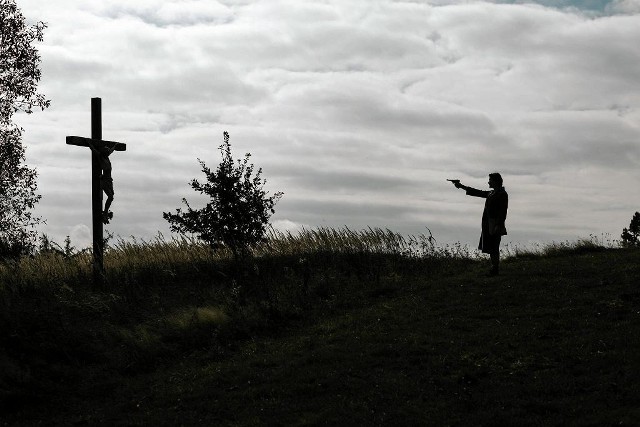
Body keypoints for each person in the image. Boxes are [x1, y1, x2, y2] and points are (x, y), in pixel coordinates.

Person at [450, 173, 508, 276]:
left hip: (494, 224)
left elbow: (503, 211)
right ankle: (494, 269)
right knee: (491, 247)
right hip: (489, 224)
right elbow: (478, 192)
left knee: (494, 247)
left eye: (490, 180)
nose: (488, 182)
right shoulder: (492, 193)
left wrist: (498, 225)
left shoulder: (502, 194)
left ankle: (495, 269)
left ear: (496, 181)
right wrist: (462, 186)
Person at [88, 141, 117, 224]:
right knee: (110, 197)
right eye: (106, 151)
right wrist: (89, 143)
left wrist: (115, 146)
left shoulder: (107, 158)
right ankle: (105, 213)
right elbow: (94, 150)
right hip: (104, 180)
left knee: (111, 196)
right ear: (104, 152)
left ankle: (105, 212)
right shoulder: (101, 158)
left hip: (109, 179)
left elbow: (111, 151)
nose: (108, 151)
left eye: (108, 151)